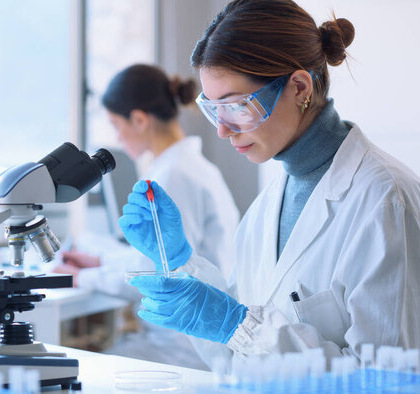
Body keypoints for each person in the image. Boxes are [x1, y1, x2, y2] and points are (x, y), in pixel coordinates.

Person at [122, 0, 420, 368]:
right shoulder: (269, 205)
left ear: (298, 87)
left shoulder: (384, 201)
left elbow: (388, 380)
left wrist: (236, 324)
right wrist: (182, 265)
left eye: (236, 105)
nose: (222, 128)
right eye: (213, 108)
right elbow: (237, 354)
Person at [54, 64, 239, 369]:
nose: (118, 137)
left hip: (185, 346)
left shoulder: (172, 176)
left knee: (80, 372)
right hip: (189, 335)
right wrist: (101, 263)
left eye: (117, 125)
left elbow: (159, 274)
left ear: (139, 120)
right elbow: (161, 259)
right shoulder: (191, 167)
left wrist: (81, 277)